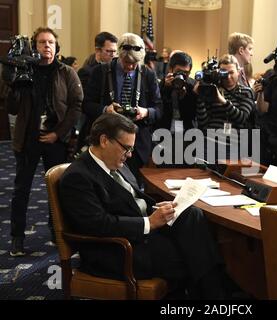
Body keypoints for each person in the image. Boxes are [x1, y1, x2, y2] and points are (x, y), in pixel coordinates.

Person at [59, 113, 227, 299]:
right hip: (116, 250)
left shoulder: (116, 161)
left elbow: (131, 198)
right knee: (193, 254)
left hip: (139, 234)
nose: (130, 155)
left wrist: (158, 208)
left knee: (191, 214)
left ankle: (211, 292)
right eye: (126, 148)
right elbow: (97, 224)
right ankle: (215, 295)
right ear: (104, 140)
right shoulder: (78, 176)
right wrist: (149, 223)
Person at [1, 27, 83, 256]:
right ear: (33, 47)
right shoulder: (23, 72)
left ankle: (56, 232)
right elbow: (12, 108)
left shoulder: (67, 72)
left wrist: (58, 134)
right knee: (21, 190)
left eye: (50, 43)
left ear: (56, 48)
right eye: (41, 42)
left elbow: (76, 105)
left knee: (56, 189)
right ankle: (17, 238)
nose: (46, 46)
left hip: (56, 138)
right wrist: (13, 83)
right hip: (28, 139)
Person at [82, 33, 162, 179]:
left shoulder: (148, 74)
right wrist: (106, 110)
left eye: (134, 63)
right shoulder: (100, 72)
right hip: (106, 143)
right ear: (118, 54)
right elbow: (86, 105)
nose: (130, 67)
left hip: (136, 147)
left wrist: (146, 112)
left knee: (133, 189)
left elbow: (159, 109)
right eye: (126, 62)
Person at [196, 54, 255, 162]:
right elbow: (203, 122)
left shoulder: (246, 92)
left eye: (231, 72)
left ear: (239, 71)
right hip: (208, 143)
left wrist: (222, 101)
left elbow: (242, 118)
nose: (228, 77)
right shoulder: (212, 90)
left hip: (232, 147)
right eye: (224, 73)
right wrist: (201, 96)